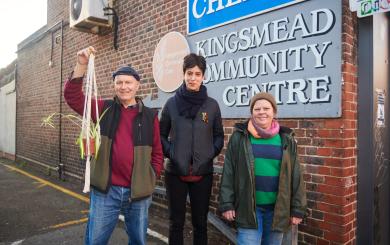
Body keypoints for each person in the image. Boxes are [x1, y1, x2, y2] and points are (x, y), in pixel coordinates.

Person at [64, 46, 164, 245]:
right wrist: (81, 65)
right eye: (119, 82)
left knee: (138, 241)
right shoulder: (104, 109)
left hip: (138, 192)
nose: (124, 86)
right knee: (95, 240)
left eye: (128, 82)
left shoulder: (150, 116)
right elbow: (73, 97)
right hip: (105, 191)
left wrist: (151, 176)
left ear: (137, 86)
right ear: (114, 86)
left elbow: (158, 152)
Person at [219, 92, 307, 245]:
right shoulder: (239, 137)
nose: (262, 112)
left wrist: (297, 208)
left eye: (266, 108)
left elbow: (295, 175)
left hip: (277, 210)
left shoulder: (286, 139)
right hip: (248, 209)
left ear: (274, 111)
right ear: (251, 112)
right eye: (257, 109)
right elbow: (229, 171)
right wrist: (227, 203)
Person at [159, 53, 224, 245]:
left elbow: (219, 136)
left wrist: (209, 154)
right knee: (175, 223)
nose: (193, 78)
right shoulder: (171, 104)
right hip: (175, 173)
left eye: (197, 74)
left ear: (203, 76)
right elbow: (161, 135)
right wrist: (172, 153)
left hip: (202, 173)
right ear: (183, 74)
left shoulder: (211, 106)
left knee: (200, 224)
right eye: (189, 73)